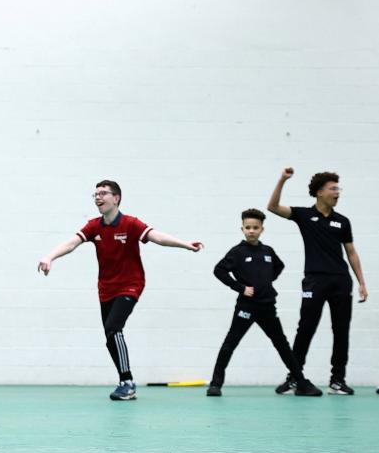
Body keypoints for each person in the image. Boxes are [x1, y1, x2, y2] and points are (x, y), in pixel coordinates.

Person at [37, 180, 203, 401]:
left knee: (114, 328)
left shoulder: (131, 223)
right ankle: (124, 381)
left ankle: (127, 382)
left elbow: (157, 237)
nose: (98, 197)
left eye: (103, 193)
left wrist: (185, 244)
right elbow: (71, 243)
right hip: (106, 287)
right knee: (109, 335)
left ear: (116, 198)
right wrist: (50, 257)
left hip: (130, 284)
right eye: (95, 194)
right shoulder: (94, 226)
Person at [267, 168, 368, 395]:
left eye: (338, 189)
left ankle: (337, 380)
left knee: (341, 330)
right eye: (333, 189)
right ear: (319, 192)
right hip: (314, 282)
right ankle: (294, 376)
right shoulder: (304, 215)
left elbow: (351, 252)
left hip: (341, 282)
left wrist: (361, 282)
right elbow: (272, 207)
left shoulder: (343, 222)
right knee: (305, 329)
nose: (337, 193)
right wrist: (282, 179)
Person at [206, 209, 321, 397]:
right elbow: (219, 270)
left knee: (282, 345)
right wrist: (240, 287)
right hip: (246, 307)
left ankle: (301, 382)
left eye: (255, 228)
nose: (251, 231)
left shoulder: (267, 251)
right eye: (248, 227)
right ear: (242, 229)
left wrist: (265, 283)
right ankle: (215, 384)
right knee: (230, 343)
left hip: (267, 306)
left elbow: (279, 266)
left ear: (262, 229)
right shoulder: (237, 252)